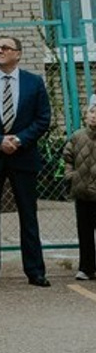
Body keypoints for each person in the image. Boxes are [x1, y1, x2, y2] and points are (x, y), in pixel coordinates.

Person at [0, 32, 52, 288]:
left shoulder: (33, 82)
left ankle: (35, 271)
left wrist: (18, 140)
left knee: (28, 214)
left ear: (18, 54)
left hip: (23, 156)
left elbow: (43, 118)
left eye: (6, 47)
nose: (0, 50)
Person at [62, 97, 96, 281]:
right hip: (82, 192)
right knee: (85, 231)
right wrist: (71, 175)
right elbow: (67, 157)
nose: (94, 116)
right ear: (86, 115)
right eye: (92, 111)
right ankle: (87, 267)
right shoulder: (77, 136)